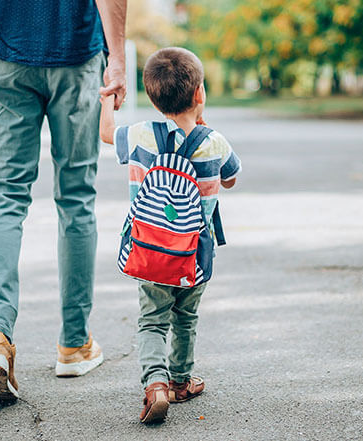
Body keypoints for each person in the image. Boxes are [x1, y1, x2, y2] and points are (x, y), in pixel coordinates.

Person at [0, 0, 127, 402]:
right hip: (74, 52)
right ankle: (74, 345)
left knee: (6, 193)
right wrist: (119, 60)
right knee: (76, 198)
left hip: (4, 45)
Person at [99, 47, 241, 423]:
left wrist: (109, 98)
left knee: (152, 321)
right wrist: (202, 125)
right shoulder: (215, 142)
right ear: (199, 94)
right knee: (185, 317)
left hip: (149, 253)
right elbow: (230, 178)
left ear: (152, 96)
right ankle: (180, 381)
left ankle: (155, 385)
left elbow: (105, 133)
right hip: (194, 255)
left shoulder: (140, 135)